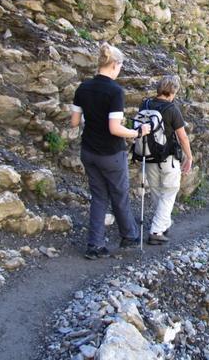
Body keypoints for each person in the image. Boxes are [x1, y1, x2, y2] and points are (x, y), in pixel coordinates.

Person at [70, 43, 150, 260]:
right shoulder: (115, 91)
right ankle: (129, 236)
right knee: (120, 193)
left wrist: (92, 120)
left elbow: (74, 122)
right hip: (111, 153)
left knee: (98, 196)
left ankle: (94, 245)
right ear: (115, 64)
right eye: (121, 66)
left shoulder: (83, 88)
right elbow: (115, 129)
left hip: (88, 150)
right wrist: (138, 132)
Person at [142, 75, 193, 245]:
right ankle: (156, 231)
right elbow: (182, 137)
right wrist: (189, 156)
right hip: (168, 157)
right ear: (173, 91)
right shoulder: (172, 109)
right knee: (170, 191)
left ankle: (163, 223)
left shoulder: (145, 104)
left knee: (157, 191)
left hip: (148, 155)